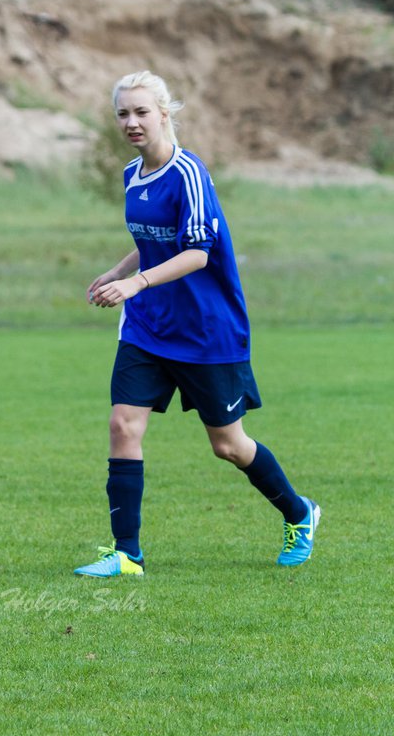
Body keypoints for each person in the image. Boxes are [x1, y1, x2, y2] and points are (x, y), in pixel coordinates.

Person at [77, 70, 320, 578]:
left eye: (142, 111)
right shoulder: (131, 174)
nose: (132, 122)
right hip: (147, 327)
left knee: (228, 445)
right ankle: (127, 555)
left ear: (165, 113)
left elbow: (197, 252)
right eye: (123, 113)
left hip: (207, 331)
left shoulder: (189, 172)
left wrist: (136, 282)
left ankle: (300, 512)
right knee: (123, 425)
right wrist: (119, 271)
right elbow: (154, 235)